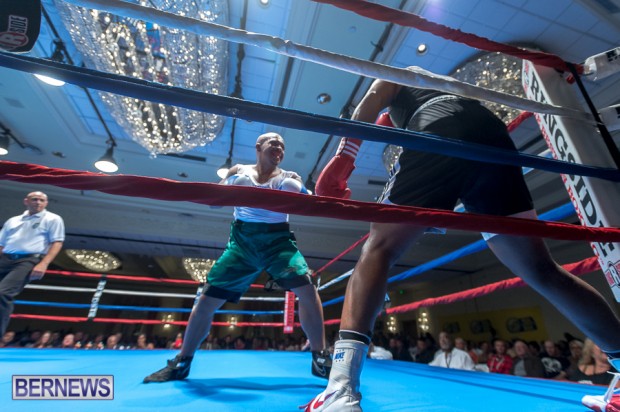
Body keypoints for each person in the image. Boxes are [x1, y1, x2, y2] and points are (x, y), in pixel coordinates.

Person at [305, 75, 620, 411]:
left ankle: (340, 391)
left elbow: (374, 95)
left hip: (439, 126)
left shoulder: (400, 76)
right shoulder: (438, 86)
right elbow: (403, 115)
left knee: (379, 248)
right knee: (541, 269)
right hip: (491, 135)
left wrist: (343, 159)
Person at [143, 132, 331, 383]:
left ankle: (320, 358)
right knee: (206, 301)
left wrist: (305, 189)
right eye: (274, 143)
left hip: (278, 243)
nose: (279, 148)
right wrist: (231, 185)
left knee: (307, 290)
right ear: (259, 146)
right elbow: (214, 203)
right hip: (243, 244)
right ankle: (182, 362)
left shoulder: (289, 177)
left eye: (282, 146)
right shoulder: (239, 171)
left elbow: (312, 204)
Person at [0, 191, 65, 336]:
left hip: (28, 260)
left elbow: (57, 242)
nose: (38, 202)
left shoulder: (53, 219)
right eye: (34, 199)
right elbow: (1, 244)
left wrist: (44, 263)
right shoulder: (13, 220)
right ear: (26, 201)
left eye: (42, 200)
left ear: (46, 203)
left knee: (3, 293)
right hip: (5, 258)